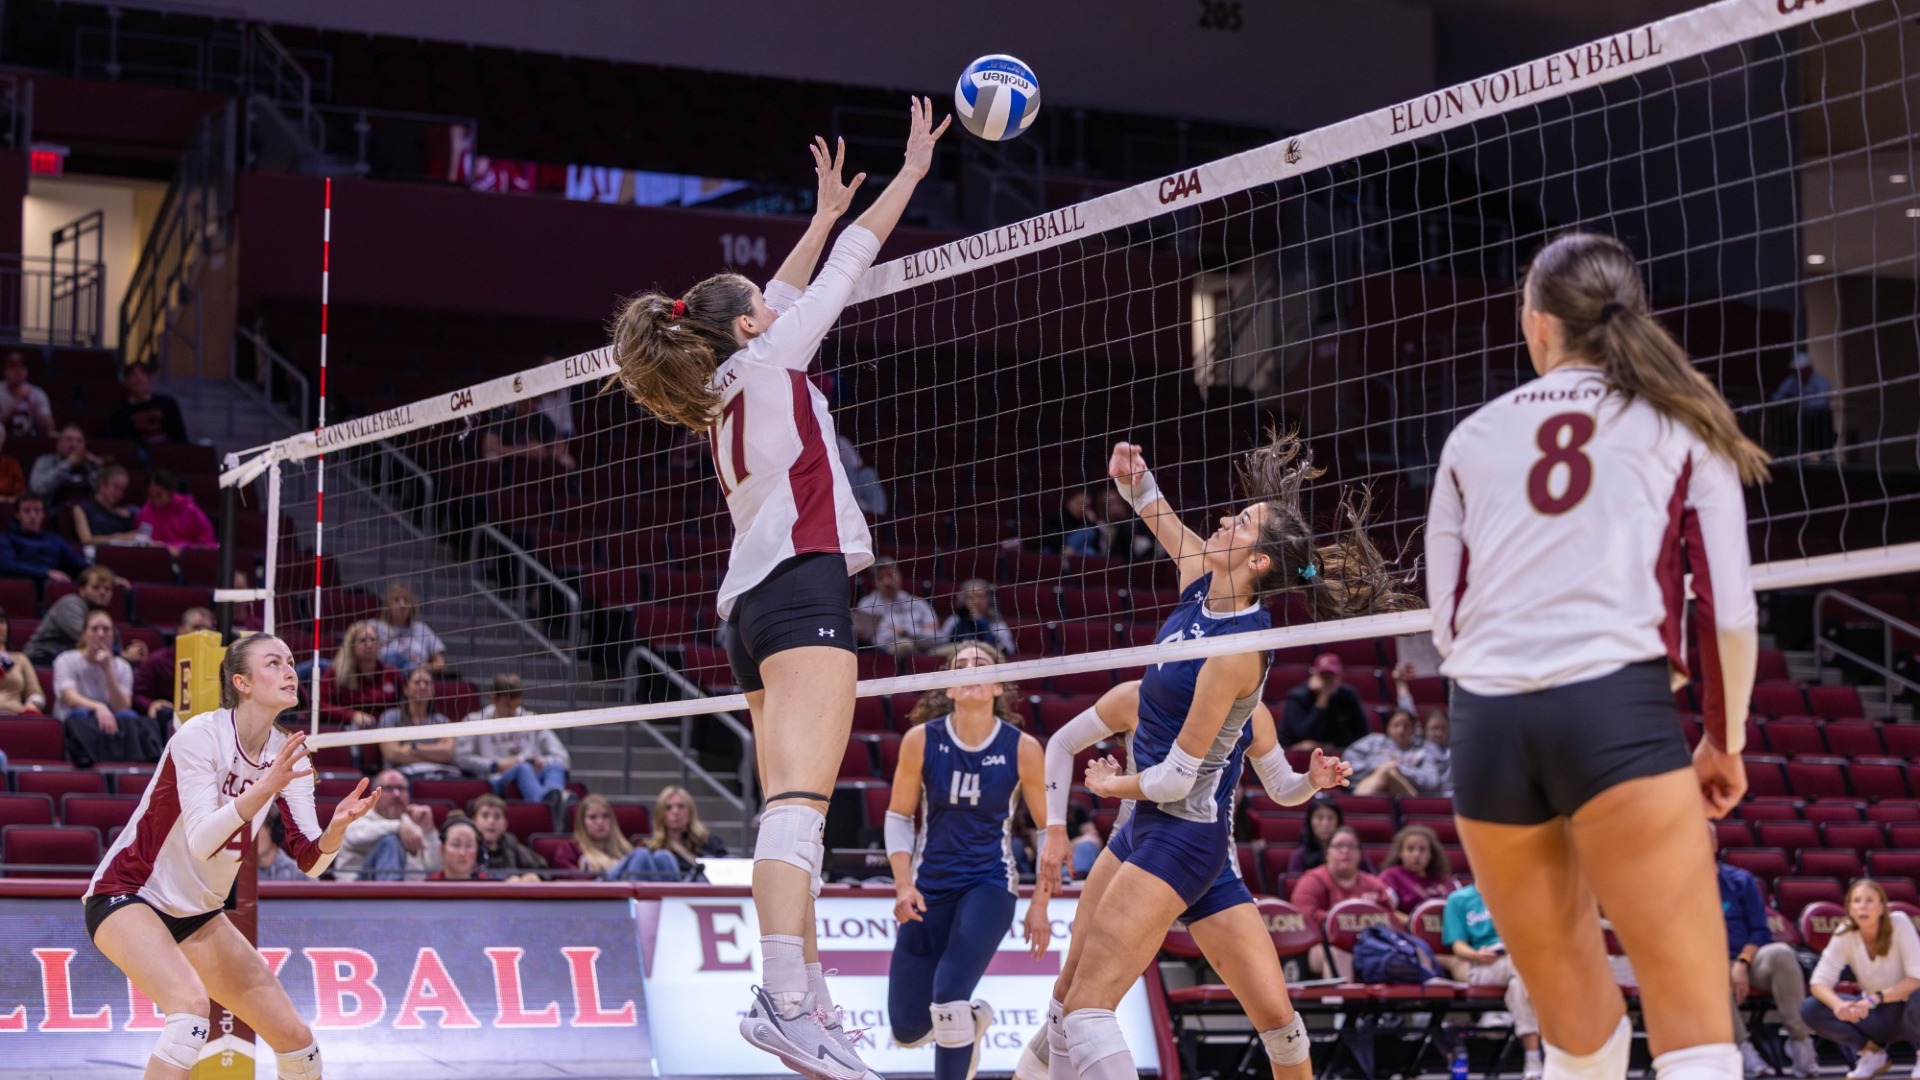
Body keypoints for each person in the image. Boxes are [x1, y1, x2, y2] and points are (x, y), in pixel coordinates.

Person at [607, 103, 947, 1080]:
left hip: (751, 612)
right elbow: (846, 269)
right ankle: (784, 1002)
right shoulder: (768, 359)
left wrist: (819, 213)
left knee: (792, 810)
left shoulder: (726, 381)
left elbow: (784, 290)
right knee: (797, 807)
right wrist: (909, 174)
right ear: (751, 325)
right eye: (763, 302)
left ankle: (809, 1004)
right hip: (800, 592)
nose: (775, 302)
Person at [1425, 232, 1771, 1080]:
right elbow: (1728, 614)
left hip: (1488, 730)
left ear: (1538, 324)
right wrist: (1724, 741)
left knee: (1579, 1044)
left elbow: (1448, 623)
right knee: (1697, 1037)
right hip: (1615, 712)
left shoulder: (1471, 436)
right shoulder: (1684, 425)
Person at [1048, 431, 1407, 1080]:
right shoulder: (1202, 587)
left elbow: (1177, 780)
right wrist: (1133, 479)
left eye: (1240, 522)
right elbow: (1160, 517)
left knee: (1091, 1010)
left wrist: (1111, 785)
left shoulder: (1236, 651)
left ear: (1259, 561)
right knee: (1072, 998)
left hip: (1182, 834)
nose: (1222, 521)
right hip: (1155, 833)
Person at [1020, 677, 1351, 1080]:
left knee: (1282, 1024)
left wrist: (1312, 782)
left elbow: (1282, 787)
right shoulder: (1139, 695)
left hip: (1210, 862)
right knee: (1073, 995)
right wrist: (1056, 828)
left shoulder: (1251, 709)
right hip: (1139, 848)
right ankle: (1031, 1072)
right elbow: (1062, 743)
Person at [83, 632, 377, 1080]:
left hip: (197, 912)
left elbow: (311, 862)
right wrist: (265, 786)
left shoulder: (289, 755)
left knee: (299, 1044)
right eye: (274, 663)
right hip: (129, 894)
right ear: (242, 682)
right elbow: (202, 839)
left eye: (290, 662)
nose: (289, 671)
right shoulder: (200, 735)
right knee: (189, 1014)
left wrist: (334, 831)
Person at [883, 644, 1052, 1080]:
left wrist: (1040, 904)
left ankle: (959, 1027)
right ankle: (972, 1023)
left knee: (949, 993)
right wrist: (903, 884)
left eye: (982, 665)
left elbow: (1049, 830)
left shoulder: (1023, 748)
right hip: (929, 887)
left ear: (998, 687)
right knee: (906, 1028)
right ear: (949, 687)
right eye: (961, 666)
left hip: (989, 883)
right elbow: (898, 816)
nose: (971, 670)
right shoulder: (922, 740)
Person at [1712, 826, 1815, 1076]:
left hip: (1746, 959)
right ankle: (1742, 1050)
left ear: (1714, 843)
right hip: (1708, 963)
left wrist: (1742, 963)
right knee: (1710, 971)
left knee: (1781, 953)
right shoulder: (1677, 884)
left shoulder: (1740, 880)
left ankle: (1801, 1041)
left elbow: (1760, 930)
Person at [1801, 878, 1920, 1076]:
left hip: (1908, 1012)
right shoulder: (1844, 932)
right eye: (1856, 901)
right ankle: (1871, 1053)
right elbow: (1818, 982)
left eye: (1869, 900)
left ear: (1882, 907)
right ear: (1849, 908)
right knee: (1811, 1008)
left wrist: (1874, 999)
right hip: (1874, 1016)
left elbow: (1917, 979)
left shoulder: (1899, 922)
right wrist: (1839, 1005)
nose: (1862, 906)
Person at [1443, 883, 1545, 1080]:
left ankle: (1533, 1062)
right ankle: (1558, 1046)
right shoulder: (1458, 899)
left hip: (1517, 961)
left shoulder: (1515, 894)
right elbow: (1458, 947)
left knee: (1518, 985)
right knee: (1525, 967)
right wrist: (1476, 954)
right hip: (1481, 967)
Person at [454, 672, 572, 813]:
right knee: (523, 768)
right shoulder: (475, 721)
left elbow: (562, 757)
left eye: (516, 705)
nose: (512, 711)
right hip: (497, 777)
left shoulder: (531, 720)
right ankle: (549, 806)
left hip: (532, 772)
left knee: (556, 767)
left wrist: (542, 761)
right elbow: (461, 758)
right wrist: (495, 765)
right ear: (493, 698)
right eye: (508, 705)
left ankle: (553, 797)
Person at [1292, 826, 1401, 979]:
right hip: (1322, 944)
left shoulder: (1374, 884)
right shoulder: (1311, 881)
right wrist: (1352, 917)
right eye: (1339, 846)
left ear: (1360, 854)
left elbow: (1392, 921)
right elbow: (1304, 919)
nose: (1345, 851)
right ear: (1327, 852)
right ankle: (1342, 995)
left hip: (1371, 947)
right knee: (1339, 952)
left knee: (1408, 949)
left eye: (1351, 846)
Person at [56, 609, 162, 765]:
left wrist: (107, 670)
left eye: (106, 629)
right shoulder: (66, 660)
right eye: (94, 629)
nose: (100, 634)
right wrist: (99, 708)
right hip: (78, 723)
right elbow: (71, 698)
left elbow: (122, 706)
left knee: (129, 717)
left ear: (113, 635)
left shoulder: (122, 666)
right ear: (84, 635)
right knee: (81, 714)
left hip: (113, 724)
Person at [334, 769, 443, 882]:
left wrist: (428, 830)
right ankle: (391, 892)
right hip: (359, 889)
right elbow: (356, 837)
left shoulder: (412, 823)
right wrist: (398, 827)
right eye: (388, 789)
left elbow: (434, 868)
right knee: (391, 841)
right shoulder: (356, 816)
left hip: (412, 890)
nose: (396, 794)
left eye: (401, 789)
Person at [131, 608, 215, 729]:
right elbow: (137, 695)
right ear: (181, 630)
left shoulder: (217, 662)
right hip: (167, 717)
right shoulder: (157, 660)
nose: (202, 635)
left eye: (208, 631)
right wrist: (151, 704)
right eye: (196, 628)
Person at [27, 564, 122, 666]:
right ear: (82, 590)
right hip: (43, 656)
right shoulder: (70, 604)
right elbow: (88, 640)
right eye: (96, 587)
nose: (102, 592)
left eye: (107, 589)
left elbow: (114, 642)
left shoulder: (101, 614)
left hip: (71, 656)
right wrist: (122, 655)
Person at [375, 668, 459, 780]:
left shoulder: (441, 720)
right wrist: (435, 755)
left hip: (439, 777)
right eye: (417, 682)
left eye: (427, 683)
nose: (422, 686)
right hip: (401, 778)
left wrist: (413, 747)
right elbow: (393, 754)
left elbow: (447, 753)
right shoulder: (390, 717)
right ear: (406, 689)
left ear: (433, 690)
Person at [1279, 653, 1370, 751]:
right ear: (1315, 676)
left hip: (1334, 750)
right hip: (1298, 752)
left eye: (1331, 676)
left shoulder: (1348, 695)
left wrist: (1327, 745)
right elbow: (1302, 734)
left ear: (1339, 677)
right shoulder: (1297, 696)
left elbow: (1362, 733)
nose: (1327, 681)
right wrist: (1322, 698)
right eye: (1323, 676)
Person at [319, 620, 401, 728]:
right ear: (351, 645)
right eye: (363, 640)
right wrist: (352, 715)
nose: (369, 644)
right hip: (349, 727)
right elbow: (322, 705)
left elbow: (404, 703)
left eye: (373, 639)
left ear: (379, 644)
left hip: (386, 728)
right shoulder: (336, 672)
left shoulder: (391, 673)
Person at [853, 557, 941, 658]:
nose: (887, 581)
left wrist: (904, 631)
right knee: (904, 645)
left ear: (899, 575)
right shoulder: (867, 605)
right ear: (875, 582)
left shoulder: (918, 603)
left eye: (890, 575)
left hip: (927, 651)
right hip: (886, 655)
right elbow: (875, 640)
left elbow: (936, 636)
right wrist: (918, 631)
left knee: (956, 648)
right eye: (880, 577)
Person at [0, 493, 88, 586]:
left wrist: (93, 572)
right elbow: (7, 566)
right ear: (18, 515)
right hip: (24, 586)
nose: (32, 516)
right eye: (27, 511)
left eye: (37, 511)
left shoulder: (54, 539)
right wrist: (46, 573)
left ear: (43, 515)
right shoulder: (6, 539)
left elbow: (78, 563)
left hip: (54, 584)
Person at [646, 783, 727, 879]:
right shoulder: (652, 849)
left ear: (690, 812)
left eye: (681, 806)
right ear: (660, 814)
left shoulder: (709, 842)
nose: (675, 812)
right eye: (668, 808)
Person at [1341, 706, 1427, 795]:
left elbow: (1430, 781)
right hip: (1368, 784)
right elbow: (1348, 763)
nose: (1401, 730)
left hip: (1405, 792)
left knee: (1387, 771)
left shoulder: (1421, 750)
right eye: (1396, 725)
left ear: (1413, 729)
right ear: (1388, 727)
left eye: (1406, 726)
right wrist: (1377, 767)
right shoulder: (1374, 741)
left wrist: (1398, 769)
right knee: (1385, 771)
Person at [480, 396, 576, 470]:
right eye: (526, 401)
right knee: (491, 456)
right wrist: (524, 450)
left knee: (566, 459)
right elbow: (488, 446)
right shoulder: (504, 417)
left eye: (533, 401)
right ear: (518, 401)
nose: (530, 405)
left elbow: (560, 445)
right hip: (509, 463)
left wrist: (544, 451)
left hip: (538, 463)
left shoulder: (541, 418)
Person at [466, 793, 547, 880]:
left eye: (497, 816)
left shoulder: (511, 843)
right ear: (474, 821)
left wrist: (533, 877)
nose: (491, 821)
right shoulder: (468, 847)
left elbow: (543, 869)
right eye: (485, 816)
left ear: (505, 823)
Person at [1769, 352, 1834, 460]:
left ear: (1809, 369)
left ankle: (1825, 456)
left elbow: (1822, 402)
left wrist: (1802, 402)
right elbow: (1777, 397)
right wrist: (1789, 401)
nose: (1797, 373)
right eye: (1796, 371)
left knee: (1821, 422)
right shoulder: (1791, 381)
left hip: (1819, 418)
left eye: (1801, 370)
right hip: (1800, 417)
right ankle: (1800, 453)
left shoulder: (1821, 381)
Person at [107, 362, 189, 447]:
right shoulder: (120, 412)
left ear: (150, 380)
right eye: (133, 374)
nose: (138, 378)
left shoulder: (167, 404)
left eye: (143, 374)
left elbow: (180, 438)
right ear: (126, 382)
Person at [1379, 824, 1456, 914]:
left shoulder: (1444, 879)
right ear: (1400, 852)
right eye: (1410, 849)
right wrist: (1410, 921)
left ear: (1431, 854)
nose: (1416, 855)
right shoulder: (1391, 876)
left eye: (1422, 849)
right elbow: (1385, 910)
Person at [375, 583, 447, 676]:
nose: (402, 605)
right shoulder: (374, 627)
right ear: (387, 604)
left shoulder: (422, 629)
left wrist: (419, 669)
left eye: (406, 600)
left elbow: (440, 664)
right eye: (396, 599)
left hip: (415, 679)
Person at [134, 471, 216, 553]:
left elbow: (207, 541)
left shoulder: (189, 509)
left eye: (159, 494)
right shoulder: (145, 513)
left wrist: (180, 549)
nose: (155, 500)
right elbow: (143, 540)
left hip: (188, 556)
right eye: (151, 496)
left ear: (169, 491)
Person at [554, 793, 634, 876]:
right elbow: (573, 880)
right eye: (593, 817)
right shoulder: (569, 849)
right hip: (596, 883)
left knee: (640, 854)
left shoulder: (625, 850)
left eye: (605, 816)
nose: (600, 822)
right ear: (582, 823)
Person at [428, 816, 522, 882]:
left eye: (469, 845)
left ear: (477, 850)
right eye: (456, 845)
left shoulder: (488, 886)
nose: (462, 853)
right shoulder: (429, 885)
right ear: (442, 850)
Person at [937, 579, 1016, 656]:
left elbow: (1008, 649)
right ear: (964, 600)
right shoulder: (954, 620)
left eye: (981, 596)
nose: (976, 601)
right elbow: (941, 643)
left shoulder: (996, 622)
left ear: (988, 599)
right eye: (971, 597)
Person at [28, 424, 101, 504]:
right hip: (53, 508)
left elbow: (103, 491)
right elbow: (37, 489)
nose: (74, 445)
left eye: (79, 441)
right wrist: (67, 464)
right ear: (59, 444)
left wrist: (97, 464)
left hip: (87, 509)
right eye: (68, 440)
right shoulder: (45, 461)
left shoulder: (90, 466)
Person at [73, 464, 142, 546]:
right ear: (102, 484)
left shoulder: (126, 512)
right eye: (116, 487)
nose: (119, 494)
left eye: (123, 490)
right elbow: (86, 540)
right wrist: (119, 538)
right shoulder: (82, 508)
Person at [1286, 796, 1355, 876]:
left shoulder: (1351, 853)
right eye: (1319, 818)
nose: (1325, 824)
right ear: (1310, 822)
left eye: (1330, 818)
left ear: (1338, 822)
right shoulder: (1299, 856)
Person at [0, 608, 47, 714]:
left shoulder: (20, 659)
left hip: (14, 714)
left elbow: (36, 693)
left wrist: (32, 703)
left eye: (2, 622)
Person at [0, 350, 55, 436]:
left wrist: (31, 403)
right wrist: (17, 400)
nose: (18, 371)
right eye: (13, 367)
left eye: (22, 367)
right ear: (5, 371)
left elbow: (50, 427)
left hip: (30, 440)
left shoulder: (38, 393)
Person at [1402, 710, 1453, 796]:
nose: (1439, 733)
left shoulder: (1456, 751)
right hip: (1422, 797)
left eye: (1443, 728)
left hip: (1451, 796)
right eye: (1434, 728)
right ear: (1424, 730)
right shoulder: (1415, 751)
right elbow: (1431, 783)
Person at [255, 807, 307, 883]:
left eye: (256, 830)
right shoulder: (239, 874)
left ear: (274, 832)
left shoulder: (299, 875)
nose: (250, 837)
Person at [0, 427, 28, 501]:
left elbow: (21, 492)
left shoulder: (12, 463)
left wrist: (7, 499)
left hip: (6, 504)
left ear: (3, 441)